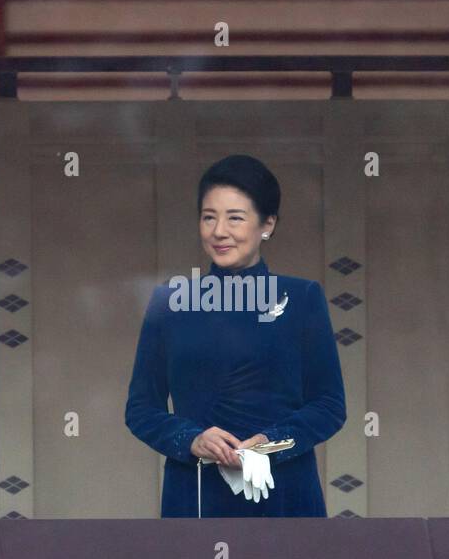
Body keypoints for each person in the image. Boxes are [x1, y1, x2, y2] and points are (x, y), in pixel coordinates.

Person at [124, 154, 346, 517]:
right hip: (195, 493)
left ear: (267, 224)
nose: (219, 231)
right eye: (208, 217)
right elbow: (141, 409)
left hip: (284, 490)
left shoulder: (301, 298)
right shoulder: (170, 302)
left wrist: (270, 444)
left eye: (235, 218)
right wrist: (192, 439)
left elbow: (329, 406)